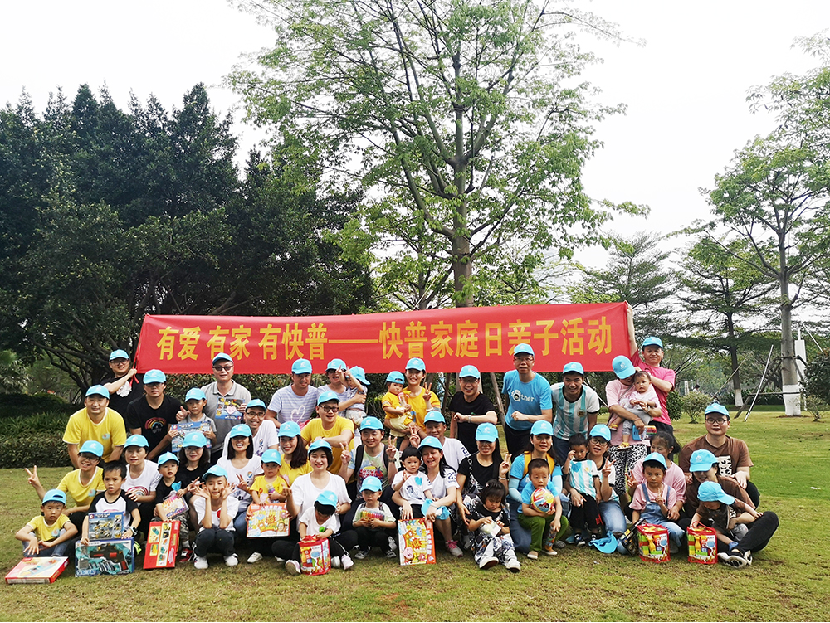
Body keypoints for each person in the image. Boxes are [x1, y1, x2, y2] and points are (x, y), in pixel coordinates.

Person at [276, 439, 357, 563]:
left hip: (329, 535)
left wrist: (340, 509)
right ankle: (329, 557)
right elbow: (294, 511)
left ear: (329, 459)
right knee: (277, 546)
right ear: (309, 459)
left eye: (323, 457)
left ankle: (307, 557)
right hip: (306, 536)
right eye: (314, 456)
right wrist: (289, 498)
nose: (318, 461)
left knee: (352, 536)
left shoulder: (337, 480)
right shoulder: (300, 481)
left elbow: (347, 504)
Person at [678, 402, 759, 508]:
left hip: (730, 489)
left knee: (751, 489)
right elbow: (686, 477)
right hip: (703, 491)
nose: (715, 424)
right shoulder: (690, 449)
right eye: (711, 420)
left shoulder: (739, 445)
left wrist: (741, 474)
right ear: (705, 423)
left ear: (728, 423)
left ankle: (745, 512)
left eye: (720, 420)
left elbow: (744, 472)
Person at [507, 420, 566, 554]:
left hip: (545, 505)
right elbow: (512, 489)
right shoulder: (521, 460)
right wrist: (530, 501)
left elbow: (557, 488)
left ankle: (546, 540)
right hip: (521, 505)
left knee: (563, 501)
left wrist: (546, 502)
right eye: (539, 437)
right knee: (524, 545)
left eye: (547, 437)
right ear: (531, 439)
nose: (543, 441)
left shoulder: (553, 461)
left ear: (552, 440)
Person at [691, 480, 778, 568]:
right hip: (720, 527)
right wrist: (693, 524)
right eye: (705, 504)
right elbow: (698, 514)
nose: (707, 506)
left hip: (737, 525)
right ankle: (733, 546)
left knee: (765, 519)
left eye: (710, 505)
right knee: (715, 531)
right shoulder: (704, 505)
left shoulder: (731, 501)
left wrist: (752, 514)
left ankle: (740, 549)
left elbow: (746, 507)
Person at [26, 439, 105, 532]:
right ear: (78, 456)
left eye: (91, 457)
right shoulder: (70, 476)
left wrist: (70, 510)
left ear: (97, 461)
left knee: (76, 517)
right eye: (84, 455)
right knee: (50, 513)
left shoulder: (103, 475)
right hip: (78, 514)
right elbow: (52, 500)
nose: (86, 460)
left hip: (97, 513)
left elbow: (97, 504)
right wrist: (37, 486)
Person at [456, 423, 510, 549]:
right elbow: (457, 488)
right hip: (473, 504)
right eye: (482, 441)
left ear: (495, 442)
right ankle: (467, 534)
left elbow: (504, 492)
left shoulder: (500, 463)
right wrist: (459, 504)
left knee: (506, 505)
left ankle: (499, 534)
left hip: (493, 502)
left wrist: (502, 474)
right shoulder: (468, 462)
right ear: (476, 442)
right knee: (468, 500)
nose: (485, 445)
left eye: (489, 441)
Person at [605, 355, 651, 506]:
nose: (629, 378)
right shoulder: (612, 385)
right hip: (616, 439)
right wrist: (635, 418)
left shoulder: (640, 381)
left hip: (638, 439)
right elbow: (614, 407)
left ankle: (638, 509)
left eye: (630, 373)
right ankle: (625, 509)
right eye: (624, 375)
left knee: (637, 479)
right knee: (617, 480)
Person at [625, 304, 677, 434]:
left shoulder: (668, 372)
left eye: (656, 350)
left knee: (663, 447)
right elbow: (631, 340)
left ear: (662, 354)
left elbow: (666, 387)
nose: (653, 353)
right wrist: (629, 315)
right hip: (639, 418)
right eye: (649, 350)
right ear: (643, 353)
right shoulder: (638, 363)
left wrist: (644, 375)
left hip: (660, 419)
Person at [339, 417, 397, 529]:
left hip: (383, 498)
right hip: (362, 498)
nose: (370, 438)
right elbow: (343, 480)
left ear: (382, 434)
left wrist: (391, 458)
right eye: (365, 433)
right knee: (348, 523)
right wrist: (344, 463)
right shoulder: (357, 453)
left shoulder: (390, 452)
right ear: (361, 435)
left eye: (374, 433)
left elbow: (392, 481)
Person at [412, 436, 462, 557]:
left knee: (441, 511)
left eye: (433, 453)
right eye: (425, 454)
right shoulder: (418, 473)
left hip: (444, 518)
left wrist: (434, 505)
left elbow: (452, 497)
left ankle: (449, 542)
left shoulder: (448, 472)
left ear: (441, 454)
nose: (429, 457)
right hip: (422, 513)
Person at [285, 490, 355, 574]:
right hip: (308, 542)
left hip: (322, 543)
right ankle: (295, 563)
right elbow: (303, 523)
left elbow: (330, 530)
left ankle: (344, 557)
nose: (321, 518)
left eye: (325, 517)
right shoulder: (309, 512)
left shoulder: (332, 518)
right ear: (315, 508)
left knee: (332, 543)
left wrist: (324, 534)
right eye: (319, 514)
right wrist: (303, 537)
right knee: (298, 546)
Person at [501, 344, 553, 457]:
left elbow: (547, 417)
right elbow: (507, 398)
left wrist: (525, 417)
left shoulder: (542, 384)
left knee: (527, 461)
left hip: (530, 430)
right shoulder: (508, 377)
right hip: (511, 427)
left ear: (533, 361)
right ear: (514, 361)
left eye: (527, 359)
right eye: (519, 359)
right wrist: (508, 414)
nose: (523, 362)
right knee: (514, 459)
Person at [628, 452, 684, 553]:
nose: (653, 478)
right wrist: (635, 525)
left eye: (657, 474)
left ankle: (670, 542)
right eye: (649, 474)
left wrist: (661, 505)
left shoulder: (670, 491)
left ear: (664, 474)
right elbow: (636, 510)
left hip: (662, 523)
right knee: (623, 547)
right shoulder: (640, 489)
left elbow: (668, 515)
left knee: (677, 531)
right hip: (645, 523)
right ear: (644, 473)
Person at [201, 352, 251, 463]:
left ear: (233, 369)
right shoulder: (204, 391)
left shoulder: (243, 393)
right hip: (210, 448)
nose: (223, 371)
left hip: (235, 447)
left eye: (227, 367)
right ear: (213, 370)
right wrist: (185, 415)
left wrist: (247, 414)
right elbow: (196, 415)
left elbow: (250, 423)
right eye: (218, 368)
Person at [125, 369, 184, 462]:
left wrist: (151, 455)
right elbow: (138, 438)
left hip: (168, 451)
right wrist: (145, 456)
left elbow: (170, 436)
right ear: (144, 386)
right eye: (150, 384)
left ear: (164, 385)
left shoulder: (173, 405)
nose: (154, 387)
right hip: (144, 451)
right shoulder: (134, 407)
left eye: (158, 384)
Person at [628, 431, 685, 522]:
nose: (655, 451)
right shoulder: (641, 464)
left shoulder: (677, 472)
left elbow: (680, 497)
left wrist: (675, 509)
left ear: (670, 450)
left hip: (667, 508)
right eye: (653, 447)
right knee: (629, 509)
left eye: (659, 449)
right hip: (644, 508)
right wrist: (633, 487)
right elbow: (634, 494)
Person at [63, 385, 126, 467]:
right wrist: (81, 469)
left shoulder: (116, 418)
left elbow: (118, 448)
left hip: (107, 460)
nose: (95, 404)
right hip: (84, 459)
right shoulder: (76, 418)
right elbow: (72, 449)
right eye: (91, 400)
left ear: (107, 402)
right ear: (85, 402)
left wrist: (109, 470)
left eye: (100, 400)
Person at [192, 465, 240, 569]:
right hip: (207, 538)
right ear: (205, 486)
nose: (215, 487)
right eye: (210, 483)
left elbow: (223, 525)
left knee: (224, 534)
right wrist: (208, 500)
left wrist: (224, 499)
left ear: (226, 485)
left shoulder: (233, 502)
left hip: (224, 537)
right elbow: (207, 525)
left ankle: (228, 553)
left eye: (219, 483)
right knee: (208, 533)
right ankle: (200, 555)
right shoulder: (199, 502)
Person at [550, 362, 600, 464]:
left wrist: (589, 443)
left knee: (581, 467)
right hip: (560, 435)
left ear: (583, 379)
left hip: (582, 436)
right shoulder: (554, 391)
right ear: (563, 379)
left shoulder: (591, 396)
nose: (572, 384)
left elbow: (592, 423)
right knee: (562, 465)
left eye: (576, 380)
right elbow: (547, 411)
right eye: (568, 380)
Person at [246, 448, 289, 564]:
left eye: (273, 466)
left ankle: (277, 552)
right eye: (267, 465)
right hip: (261, 511)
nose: (270, 468)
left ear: (279, 467)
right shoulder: (259, 479)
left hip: (276, 512)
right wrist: (257, 502)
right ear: (262, 466)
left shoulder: (281, 481)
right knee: (259, 530)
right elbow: (253, 491)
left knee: (277, 531)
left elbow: (285, 497)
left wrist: (278, 495)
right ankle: (257, 551)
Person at [466, 480, 520, 571]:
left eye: (497, 502)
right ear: (485, 498)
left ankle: (511, 559)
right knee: (489, 537)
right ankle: (486, 558)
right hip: (483, 542)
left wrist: (501, 528)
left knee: (507, 538)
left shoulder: (502, 512)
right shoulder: (478, 509)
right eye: (491, 501)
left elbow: (508, 530)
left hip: (500, 541)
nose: (494, 504)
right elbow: (471, 527)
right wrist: (481, 521)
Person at [217, 424, 262, 535]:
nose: (239, 441)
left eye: (243, 437)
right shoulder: (222, 462)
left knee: (240, 525)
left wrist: (247, 490)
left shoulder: (257, 461)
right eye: (235, 438)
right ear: (231, 441)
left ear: (249, 441)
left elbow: (259, 490)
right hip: (226, 505)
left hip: (247, 505)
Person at [81, 462, 140, 544]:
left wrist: (131, 530)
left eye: (115, 479)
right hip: (100, 536)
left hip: (122, 535)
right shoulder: (98, 498)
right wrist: (84, 535)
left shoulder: (127, 497)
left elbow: (137, 517)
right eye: (107, 479)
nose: (111, 483)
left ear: (123, 480)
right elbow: (87, 518)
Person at [585, 425, 627, 538]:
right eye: (595, 440)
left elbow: (606, 497)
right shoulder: (579, 461)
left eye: (603, 442)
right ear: (588, 442)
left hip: (607, 502)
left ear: (607, 447)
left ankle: (602, 524)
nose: (598, 444)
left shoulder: (609, 467)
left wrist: (605, 476)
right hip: (585, 500)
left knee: (617, 529)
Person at [518, 458, 565, 560]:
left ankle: (547, 544)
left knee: (563, 521)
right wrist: (541, 515)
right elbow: (525, 510)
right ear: (530, 477)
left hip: (546, 514)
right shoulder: (528, 489)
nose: (541, 480)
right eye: (536, 477)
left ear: (549, 476)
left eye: (544, 477)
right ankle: (535, 549)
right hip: (527, 516)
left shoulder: (550, 486)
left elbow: (558, 504)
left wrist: (556, 519)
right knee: (539, 521)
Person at [300, 390, 355, 475]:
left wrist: (322, 441)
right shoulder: (312, 424)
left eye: (334, 408)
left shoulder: (346, 423)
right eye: (326, 408)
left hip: (342, 475)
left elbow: (344, 440)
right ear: (317, 409)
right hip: (319, 475)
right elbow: (298, 446)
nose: (330, 412)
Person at [448, 365, 498, 456]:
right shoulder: (457, 398)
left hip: (481, 449)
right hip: (462, 448)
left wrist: (466, 418)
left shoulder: (483, 401)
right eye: (465, 380)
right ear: (460, 381)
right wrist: (452, 442)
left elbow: (493, 419)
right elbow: (453, 421)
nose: (468, 385)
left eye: (472, 381)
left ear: (478, 381)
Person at [563, 433, 603, 545]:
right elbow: (565, 472)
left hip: (590, 493)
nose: (579, 454)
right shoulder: (570, 463)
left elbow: (595, 479)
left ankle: (595, 532)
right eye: (575, 452)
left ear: (586, 449)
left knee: (592, 512)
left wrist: (598, 492)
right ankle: (578, 533)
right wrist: (568, 459)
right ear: (571, 451)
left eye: (582, 451)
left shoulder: (590, 463)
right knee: (577, 513)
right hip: (577, 494)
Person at [153, 452, 193, 562]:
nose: (169, 469)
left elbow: (190, 487)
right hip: (166, 512)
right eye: (165, 466)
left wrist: (184, 490)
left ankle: (186, 546)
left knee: (180, 522)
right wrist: (164, 518)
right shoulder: (160, 486)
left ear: (177, 468)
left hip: (181, 510)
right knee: (155, 522)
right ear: (159, 470)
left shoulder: (181, 478)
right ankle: (162, 547)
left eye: (173, 465)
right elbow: (158, 503)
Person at [16, 489, 78, 557]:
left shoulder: (62, 519)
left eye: (57, 508)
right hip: (40, 550)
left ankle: (56, 556)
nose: (53, 512)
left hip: (55, 548)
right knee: (29, 534)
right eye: (49, 508)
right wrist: (32, 539)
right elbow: (19, 533)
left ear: (63, 509)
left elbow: (73, 530)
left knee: (65, 531)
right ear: (42, 508)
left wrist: (52, 543)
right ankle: (31, 557)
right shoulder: (37, 520)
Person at [122, 434, 160, 536]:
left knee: (147, 508)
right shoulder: (121, 471)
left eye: (138, 451)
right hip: (128, 508)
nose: (133, 455)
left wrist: (137, 498)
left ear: (146, 453)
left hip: (147, 507)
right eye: (130, 451)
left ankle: (148, 537)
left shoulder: (155, 470)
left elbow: (154, 496)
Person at [609, 371, 660, 448]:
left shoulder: (651, 393)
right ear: (635, 384)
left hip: (644, 414)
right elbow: (630, 401)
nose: (641, 385)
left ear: (649, 383)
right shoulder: (635, 393)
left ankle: (616, 422)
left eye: (643, 382)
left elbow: (656, 405)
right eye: (638, 383)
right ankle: (625, 442)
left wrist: (646, 404)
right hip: (634, 414)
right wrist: (634, 402)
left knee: (625, 411)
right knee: (626, 423)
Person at [266, 358, 319, 429]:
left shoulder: (316, 393)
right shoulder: (281, 394)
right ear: (292, 376)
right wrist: (285, 428)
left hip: (305, 433)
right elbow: (268, 416)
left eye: (306, 375)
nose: (303, 379)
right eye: (299, 376)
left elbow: (324, 411)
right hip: (284, 433)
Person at [353, 476, 397, 559]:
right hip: (366, 534)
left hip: (379, 533)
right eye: (366, 493)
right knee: (360, 530)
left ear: (379, 494)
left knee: (381, 535)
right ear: (362, 494)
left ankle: (387, 549)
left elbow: (393, 524)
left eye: (372, 493)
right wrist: (360, 523)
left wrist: (380, 523)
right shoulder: (361, 507)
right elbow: (354, 523)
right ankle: (363, 549)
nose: (369, 496)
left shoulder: (383, 507)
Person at [401, 357, 441, 438]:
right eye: (410, 371)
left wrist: (427, 401)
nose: (413, 375)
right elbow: (390, 420)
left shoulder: (431, 396)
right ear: (406, 373)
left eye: (417, 372)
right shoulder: (400, 395)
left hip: (427, 439)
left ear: (423, 375)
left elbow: (437, 420)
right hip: (405, 439)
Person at [391, 446, 433, 518]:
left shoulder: (423, 476)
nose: (412, 465)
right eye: (409, 462)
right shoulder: (400, 474)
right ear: (404, 464)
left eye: (415, 462)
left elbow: (427, 491)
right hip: (408, 504)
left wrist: (431, 500)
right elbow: (395, 488)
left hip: (421, 504)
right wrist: (402, 481)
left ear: (420, 463)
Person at [101, 349, 143, 418]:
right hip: (115, 421)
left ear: (128, 362)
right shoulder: (106, 382)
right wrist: (128, 376)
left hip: (136, 421)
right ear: (110, 364)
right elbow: (109, 390)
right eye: (116, 361)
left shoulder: (139, 378)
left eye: (123, 360)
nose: (120, 364)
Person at [382, 371, 412, 450]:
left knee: (406, 437)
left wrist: (408, 407)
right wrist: (396, 411)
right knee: (412, 428)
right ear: (389, 386)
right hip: (395, 418)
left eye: (400, 386)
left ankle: (400, 452)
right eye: (395, 385)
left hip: (400, 417)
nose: (398, 388)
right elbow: (386, 408)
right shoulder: (387, 396)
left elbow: (404, 405)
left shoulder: (400, 396)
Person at [277, 421, 311, 486]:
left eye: (290, 439)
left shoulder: (308, 462)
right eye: (283, 439)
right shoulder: (277, 460)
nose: (287, 444)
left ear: (298, 440)